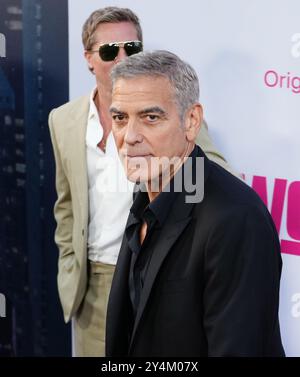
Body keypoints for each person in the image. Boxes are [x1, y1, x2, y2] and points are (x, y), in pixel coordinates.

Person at [48, 7, 232, 357]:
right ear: (89, 59)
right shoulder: (63, 120)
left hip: (153, 273)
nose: (120, 58)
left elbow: (211, 175)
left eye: (131, 48)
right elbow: (66, 204)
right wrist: (70, 267)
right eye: (108, 50)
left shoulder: (169, 115)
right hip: (92, 285)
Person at [105, 50, 285, 357]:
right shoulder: (144, 194)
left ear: (191, 121)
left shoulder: (235, 219)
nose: (130, 136)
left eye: (150, 117)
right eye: (120, 118)